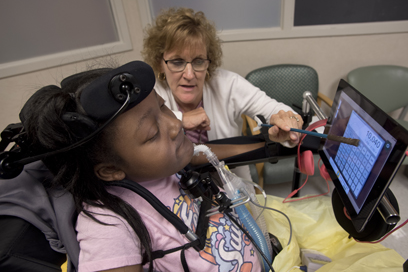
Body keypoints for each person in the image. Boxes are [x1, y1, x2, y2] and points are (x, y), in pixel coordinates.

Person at [18, 61, 298, 272]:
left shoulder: (164, 165)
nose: (176, 124)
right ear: (110, 170)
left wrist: (269, 144)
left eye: (164, 108)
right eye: (152, 134)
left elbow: (206, 153)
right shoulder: (110, 224)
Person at [142, 7, 304, 184]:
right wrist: (180, 119)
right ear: (160, 64)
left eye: (198, 61)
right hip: (177, 195)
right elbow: (137, 138)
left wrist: (288, 125)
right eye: (177, 62)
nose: (189, 74)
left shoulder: (228, 84)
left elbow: (277, 110)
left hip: (234, 188)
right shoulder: (151, 93)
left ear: (208, 62)